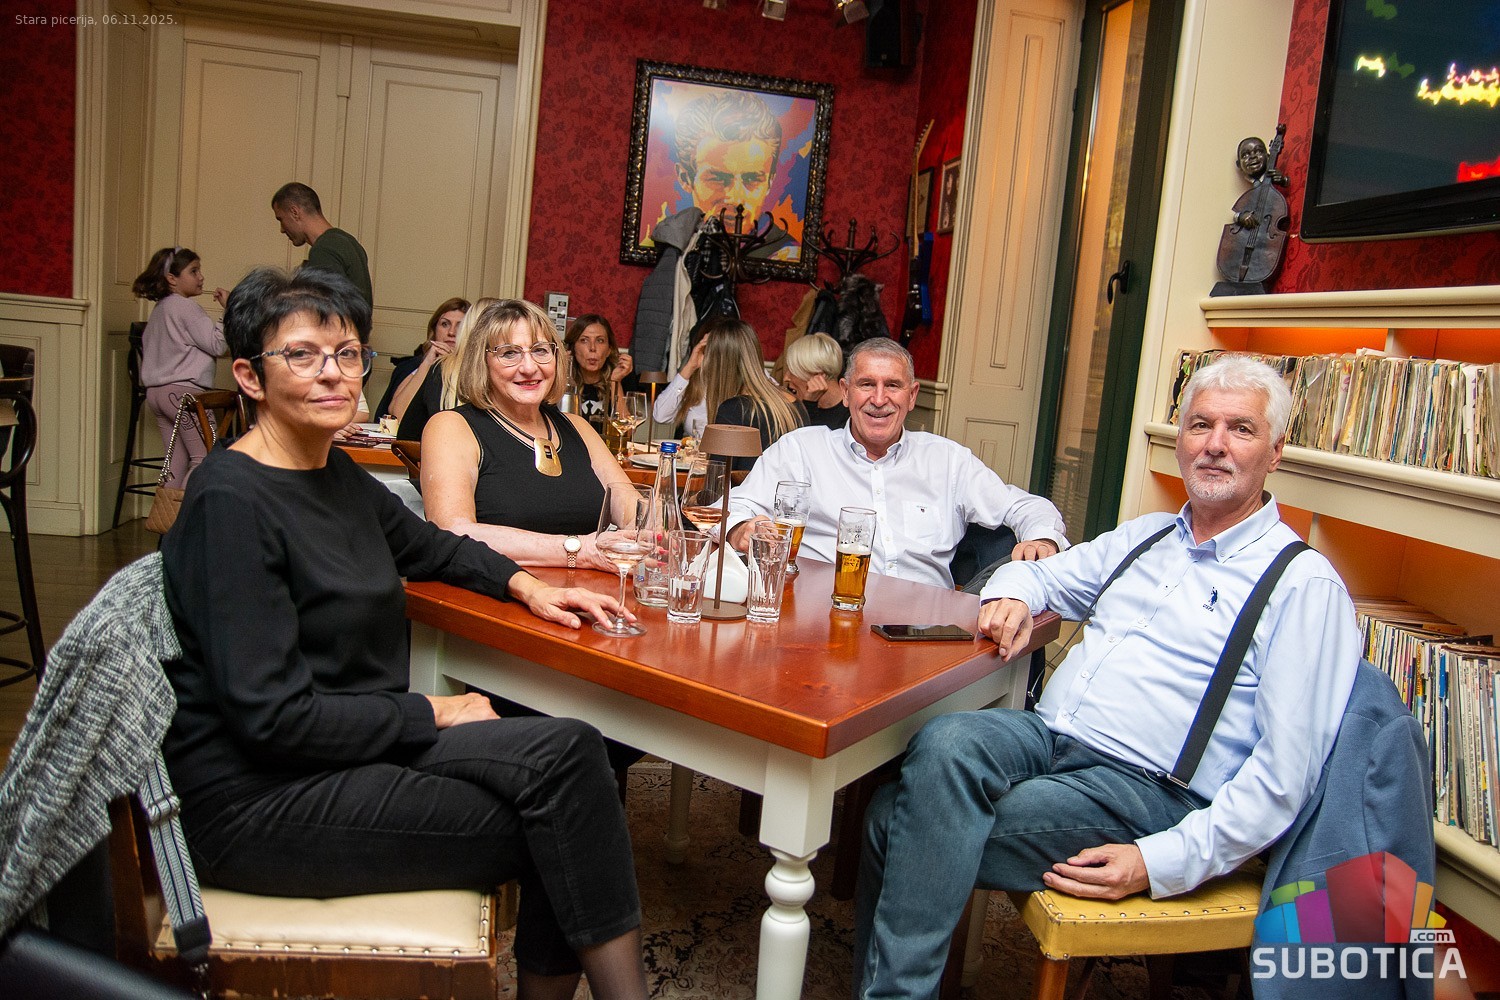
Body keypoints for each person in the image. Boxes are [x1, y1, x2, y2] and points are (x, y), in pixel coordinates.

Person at [159, 266, 648, 1000]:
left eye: (347, 354)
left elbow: (434, 548)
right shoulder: (230, 500)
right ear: (250, 377)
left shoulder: (332, 473)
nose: (334, 374)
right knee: (568, 819)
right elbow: (272, 718)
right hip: (259, 798)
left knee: (573, 749)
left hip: (350, 747)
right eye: (302, 355)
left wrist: (531, 585)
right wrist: (435, 710)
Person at [851, 355, 1360, 1000]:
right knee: (946, 739)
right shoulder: (1147, 538)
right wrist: (1010, 594)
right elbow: (1036, 573)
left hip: (1146, 789)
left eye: (1240, 429)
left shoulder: (1303, 585)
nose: (1215, 444)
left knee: (891, 819)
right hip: (1049, 738)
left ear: (1275, 452)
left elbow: (1285, 778)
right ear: (1180, 441)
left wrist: (1159, 861)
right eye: (1200, 425)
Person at [726, 338, 1067, 589]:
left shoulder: (947, 461)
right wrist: (741, 528)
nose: (879, 399)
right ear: (845, 392)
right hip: (825, 620)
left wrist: (1043, 541)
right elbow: (733, 506)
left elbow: (1025, 506)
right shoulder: (801, 451)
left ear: (912, 395)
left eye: (892, 385)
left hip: (924, 631)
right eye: (866, 385)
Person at [422, 300, 635, 573]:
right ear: (482, 362)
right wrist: (579, 550)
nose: (529, 367)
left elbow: (635, 511)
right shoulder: (451, 427)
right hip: (496, 591)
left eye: (540, 350)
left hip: (590, 591)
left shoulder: (578, 427)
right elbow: (452, 531)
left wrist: (656, 531)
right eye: (509, 353)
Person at [132, 246, 229, 488]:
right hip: (183, 395)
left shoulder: (160, 310)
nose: (201, 277)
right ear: (172, 279)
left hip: (157, 395)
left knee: (175, 461)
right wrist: (228, 311)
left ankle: (166, 512)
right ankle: (187, 513)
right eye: (193, 271)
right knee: (204, 458)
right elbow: (217, 345)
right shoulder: (185, 307)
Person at [671, 90, 796, 260]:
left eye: (751, 179)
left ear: (769, 182)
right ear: (685, 178)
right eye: (718, 179)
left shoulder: (788, 256)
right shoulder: (668, 244)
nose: (735, 198)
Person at [699, 318, 804, 471]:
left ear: (716, 364)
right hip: (788, 487)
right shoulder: (793, 403)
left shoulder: (734, 410)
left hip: (747, 488)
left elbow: (718, 479)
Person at [270, 182, 373, 306]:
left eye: (281, 219)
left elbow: (327, 309)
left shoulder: (323, 250)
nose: (282, 229)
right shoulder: (348, 241)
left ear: (295, 212)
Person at [377, 296, 469, 421]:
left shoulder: (473, 372)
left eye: (460, 326)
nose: (451, 332)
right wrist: (427, 363)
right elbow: (398, 413)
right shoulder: (413, 366)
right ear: (434, 329)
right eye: (445, 324)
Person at [565, 314, 634, 436]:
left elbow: (627, 433)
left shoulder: (622, 378)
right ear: (573, 348)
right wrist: (562, 371)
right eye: (584, 340)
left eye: (600, 341)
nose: (592, 348)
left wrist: (615, 381)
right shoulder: (566, 382)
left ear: (609, 350)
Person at [780, 332, 848, 429]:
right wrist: (808, 405)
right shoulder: (794, 406)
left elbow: (809, 437)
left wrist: (809, 406)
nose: (786, 378)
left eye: (793, 371)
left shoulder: (851, 413)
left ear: (818, 374)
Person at [652, 330, 710, 439]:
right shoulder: (697, 385)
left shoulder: (740, 392)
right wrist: (690, 366)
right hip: (691, 449)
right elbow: (660, 416)